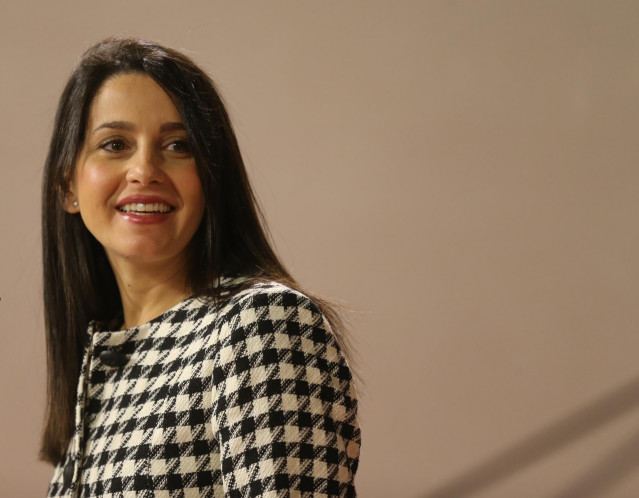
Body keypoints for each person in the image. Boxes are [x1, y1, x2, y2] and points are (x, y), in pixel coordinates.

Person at [40, 36, 360, 497]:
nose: (144, 169)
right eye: (115, 144)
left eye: (178, 145)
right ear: (68, 185)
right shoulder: (99, 377)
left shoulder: (264, 326)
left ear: (211, 178)